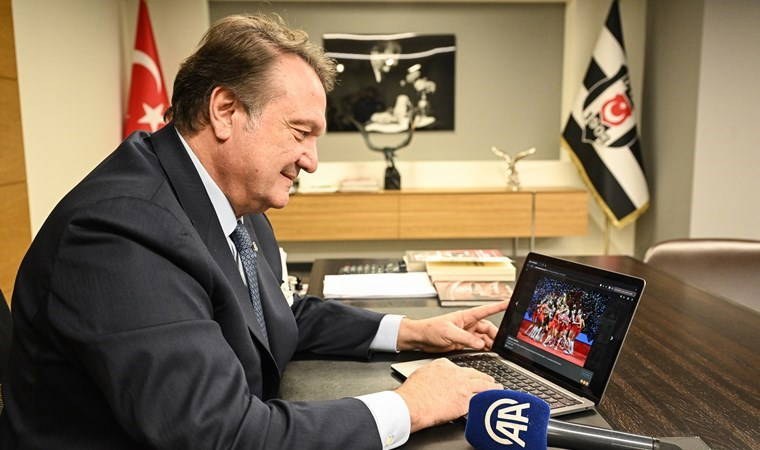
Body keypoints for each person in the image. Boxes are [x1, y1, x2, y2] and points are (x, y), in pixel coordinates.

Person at [0, 14, 506, 450]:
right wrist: (409, 406)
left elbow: (273, 312)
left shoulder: (233, 201)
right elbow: (219, 435)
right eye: (300, 132)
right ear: (225, 112)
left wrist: (411, 332)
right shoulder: (122, 233)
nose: (311, 160)